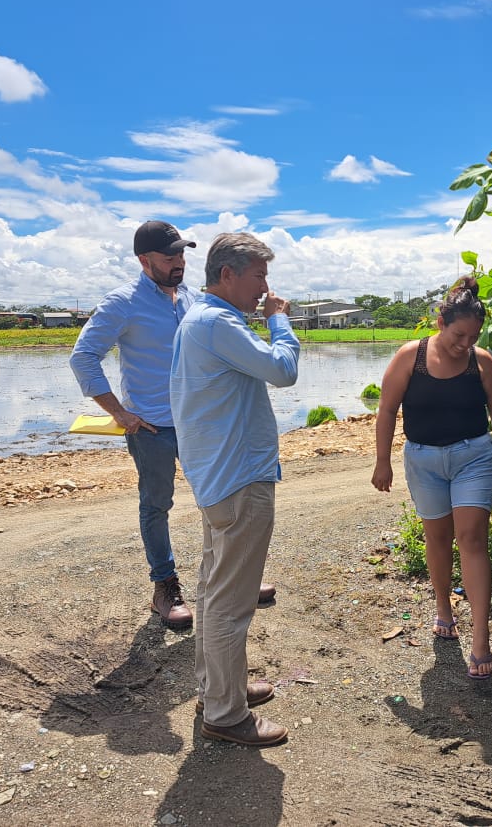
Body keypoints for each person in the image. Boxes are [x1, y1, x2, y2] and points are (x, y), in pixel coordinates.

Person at [70, 220, 277, 631]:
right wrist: (119, 413)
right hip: (154, 427)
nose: (178, 262)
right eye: (169, 256)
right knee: (156, 505)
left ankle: (234, 573)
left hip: (200, 422)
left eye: (181, 253)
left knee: (219, 497)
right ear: (144, 260)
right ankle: (164, 587)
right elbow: (83, 357)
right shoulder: (122, 303)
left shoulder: (191, 300)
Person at [169, 232, 299, 747]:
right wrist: (278, 321)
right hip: (239, 478)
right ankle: (226, 714)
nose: (265, 287)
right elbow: (282, 370)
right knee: (231, 600)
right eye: (258, 276)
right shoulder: (217, 323)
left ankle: (219, 689)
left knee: (214, 590)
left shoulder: (201, 320)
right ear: (227, 275)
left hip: (220, 475)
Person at [372, 277, 492, 681]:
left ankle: (481, 638)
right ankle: (443, 608)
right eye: (458, 336)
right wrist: (382, 462)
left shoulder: (481, 362)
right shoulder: (409, 357)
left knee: (472, 538)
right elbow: (386, 410)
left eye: (473, 337)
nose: (465, 344)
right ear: (440, 323)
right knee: (436, 537)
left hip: (473, 457)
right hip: (424, 460)